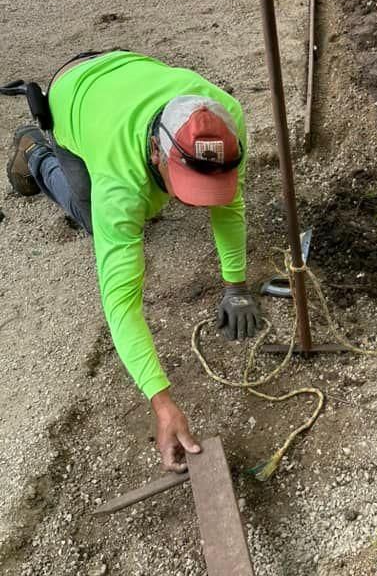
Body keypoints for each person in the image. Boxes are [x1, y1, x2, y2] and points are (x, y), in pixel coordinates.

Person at [5, 50, 261, 471]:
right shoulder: (119, 190)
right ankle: (34, 151)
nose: (198, 204)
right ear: (158, 155)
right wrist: (161, 401)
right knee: (91, 218)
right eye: (188, 186)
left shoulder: (226, 119)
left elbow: (230, 207)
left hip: (124, 68)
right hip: (73, 95)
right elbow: (120, 303)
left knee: (155, 203)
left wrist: (236, 287)